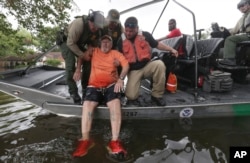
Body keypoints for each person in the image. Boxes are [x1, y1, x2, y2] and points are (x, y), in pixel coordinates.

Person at [72, 35, 129, 158]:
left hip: (111, 85)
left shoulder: (115, 53)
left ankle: (114, 141)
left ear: (111, 44)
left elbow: (126, 66)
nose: (105, 43)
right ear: (100, 43)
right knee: (87, 105)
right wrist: (78, 70)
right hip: (94, 86)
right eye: (103, 41)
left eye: (108, 42)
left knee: (115, 103)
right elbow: (82, 57)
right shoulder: (94, 51)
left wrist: (121, 79)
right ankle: (85, 140)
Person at [117, 16, 178, 106]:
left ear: (137, 29)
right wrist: (120, 78)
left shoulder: (145, 35)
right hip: (133, 70)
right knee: (131, 96)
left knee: (159, 64)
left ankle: (156, 95)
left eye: (131, 31)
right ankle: (132, 91)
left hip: (147, 66)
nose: (128, 33)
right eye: (127, 31)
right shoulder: (120, 40)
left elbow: (157, 45)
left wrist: (171, 49)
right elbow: (119, 58)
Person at [60, 10, 105, 104]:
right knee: (70, 64)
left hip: (79, 44)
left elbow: (92, 45)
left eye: (98, 27)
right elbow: (70, 43)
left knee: (89, 61)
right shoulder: (79, 24)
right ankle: (73, 93)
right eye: (94, 25)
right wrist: (82, 56)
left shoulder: (97, 30)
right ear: (90, 21)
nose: (96, 28)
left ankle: (85, 89)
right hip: (67, 42)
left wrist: (88, 55)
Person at [220, 0, 250, 66]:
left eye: (243, 5)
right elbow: (234, 30)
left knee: (230, 39)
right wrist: (224, 31)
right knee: (227, 38)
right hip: (244, 36)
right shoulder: (241, 19)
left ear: (248, 5)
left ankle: (230, 60)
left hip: (248, 35)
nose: (241, 8)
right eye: (239, 7)